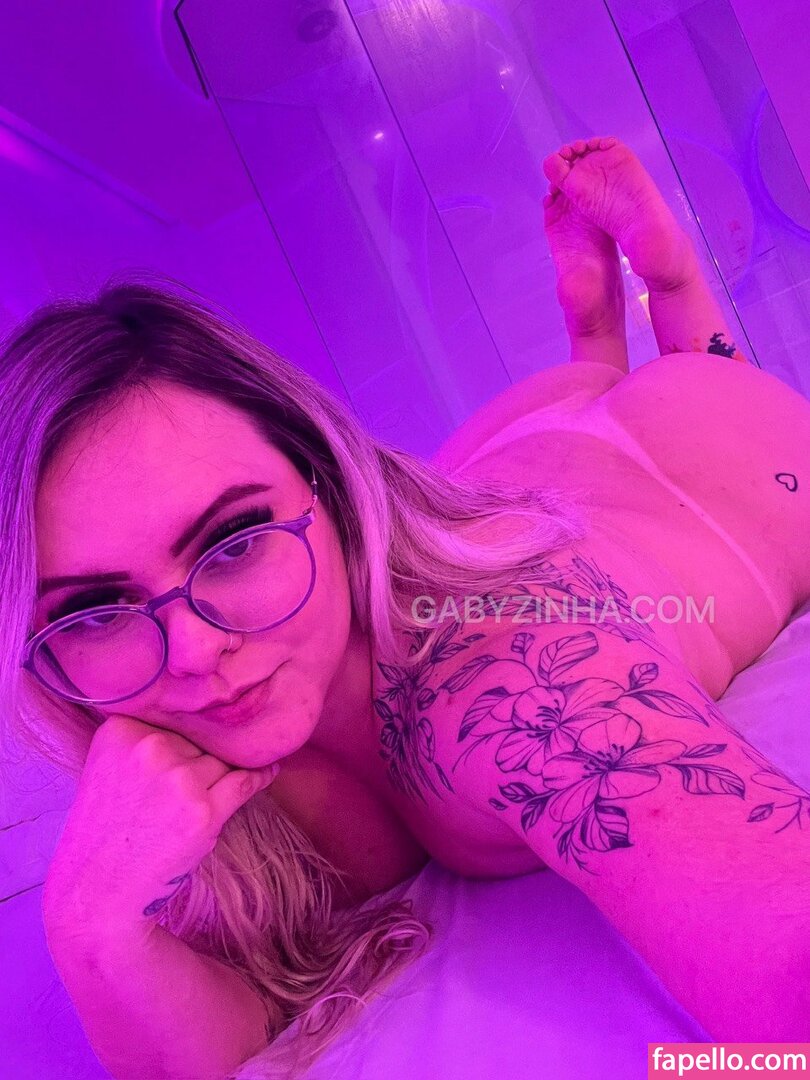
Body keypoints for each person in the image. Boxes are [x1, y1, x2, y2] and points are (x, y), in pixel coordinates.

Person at [2, 136, 808, 1079]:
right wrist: (88, 932)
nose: (190, 652)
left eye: (234, 540)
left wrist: (670, 1070)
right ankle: (592, 336)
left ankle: (666, 285)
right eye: (97, 608)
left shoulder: (510, 680)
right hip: (506, 458)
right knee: (551, 427)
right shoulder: (178, 749)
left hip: (712, 447)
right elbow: (206, 1042)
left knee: (688, 378)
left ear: (336, 485)